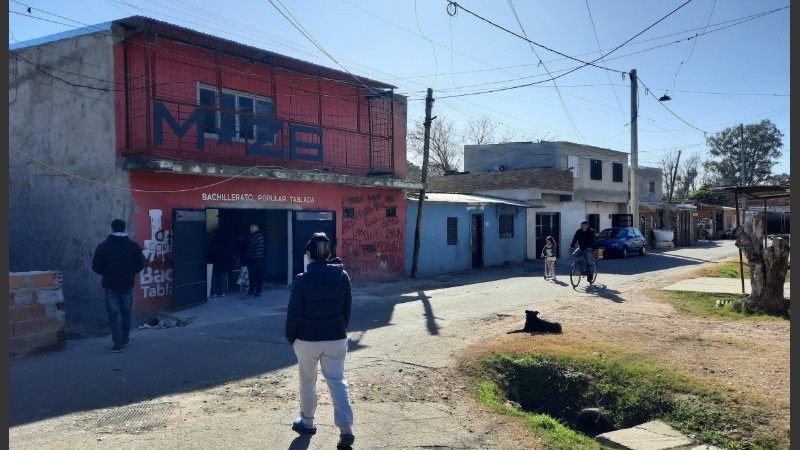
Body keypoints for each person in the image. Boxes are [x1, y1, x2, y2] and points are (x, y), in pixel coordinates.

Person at [285, 232, 355, 448]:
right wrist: (340, 329)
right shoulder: (343, 277)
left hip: (307, 340)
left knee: (307, 383)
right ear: (328, 254)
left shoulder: (302, 280)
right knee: (338, 383)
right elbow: (347, 311)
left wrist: (292, 339)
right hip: (336, 338)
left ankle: (307, 422)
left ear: (309, 255)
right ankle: (346, 429)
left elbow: (293, 314)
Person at [92, 219, 146, 353]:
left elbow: (96, 267)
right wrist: (128, 272)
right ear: (124, 228)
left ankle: (117, 342)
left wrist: (108, 273)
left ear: (112, 228)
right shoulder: (133, 246)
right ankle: (125, 337)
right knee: (126, 312)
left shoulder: (103, 246)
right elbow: (140, 265)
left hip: (110, 284)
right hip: (127, 284)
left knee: (113, 314)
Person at [208, 228, 235, 297]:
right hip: (224, 261)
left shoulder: (214, 240)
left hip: (216, 260)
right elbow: (230, 251)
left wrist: (210, 257)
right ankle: (223, 292)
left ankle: (214, 292)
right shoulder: (226, 240)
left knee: (214, 276)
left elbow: (212, 250)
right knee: (223, 276)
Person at [244, 223, 264, 298]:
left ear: (257, 228)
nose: (250, 229)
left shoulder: (256, 237)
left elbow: (250, 247)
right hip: (257, 258)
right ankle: (258, 291)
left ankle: (251, 292)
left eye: (252, 227)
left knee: (252, 276)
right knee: (257, 275)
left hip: (253, 258)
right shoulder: (259, 236)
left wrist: (246, 256)